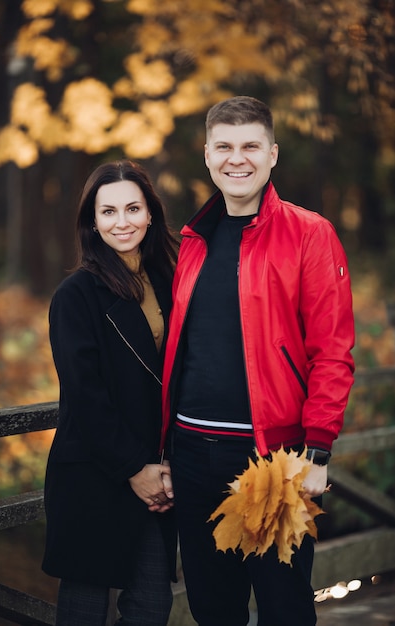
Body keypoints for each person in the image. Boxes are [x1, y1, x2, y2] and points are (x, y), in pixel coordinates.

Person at [160, 96, 355, 626]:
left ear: (272, 154)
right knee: (212, 607)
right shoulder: (194, 241)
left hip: (272, 458)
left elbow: (332, 350)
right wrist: (162, 450)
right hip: (192, 452)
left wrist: (318, 450)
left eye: (250, 146)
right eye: (224, 147)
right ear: (207, 155)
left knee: (283, 606)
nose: (236, 159)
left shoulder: (310, 233)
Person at [42, 160, 179, 626]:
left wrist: (164, 468)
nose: (122, 222)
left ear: (150, 215)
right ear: (93, 222)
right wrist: (133, 469)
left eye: (133, 208)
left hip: (155, 473)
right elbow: (85, 394)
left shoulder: (169, 282)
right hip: (97, 472)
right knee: (83, 611)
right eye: (109, 212)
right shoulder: (75, 295)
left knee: (151, 607)